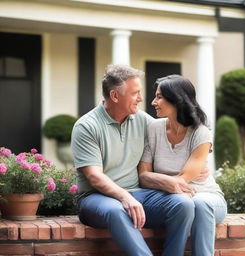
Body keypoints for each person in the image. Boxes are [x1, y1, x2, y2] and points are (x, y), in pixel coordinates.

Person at [71, 65, 204, 256]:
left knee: (182, 204)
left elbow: (172, 136)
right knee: (116, 210)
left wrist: (197, 160)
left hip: (138, 195)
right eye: (135, 93)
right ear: (115, 96)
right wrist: (125, 197)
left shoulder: (143, 120)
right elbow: (94, 176)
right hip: (95, 198)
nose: (141, 99)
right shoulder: (87, 126)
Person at [138, 74, 227, 256]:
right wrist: (157, 179)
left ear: (177, 100)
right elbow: (143, 176)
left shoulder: (201, 132)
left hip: (207, 197)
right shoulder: (154, 128)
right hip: (176, 202)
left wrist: (155, 178)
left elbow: (181, 182)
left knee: (200, 204)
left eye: (159, 97)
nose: (154, 102)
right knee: (185, 203)